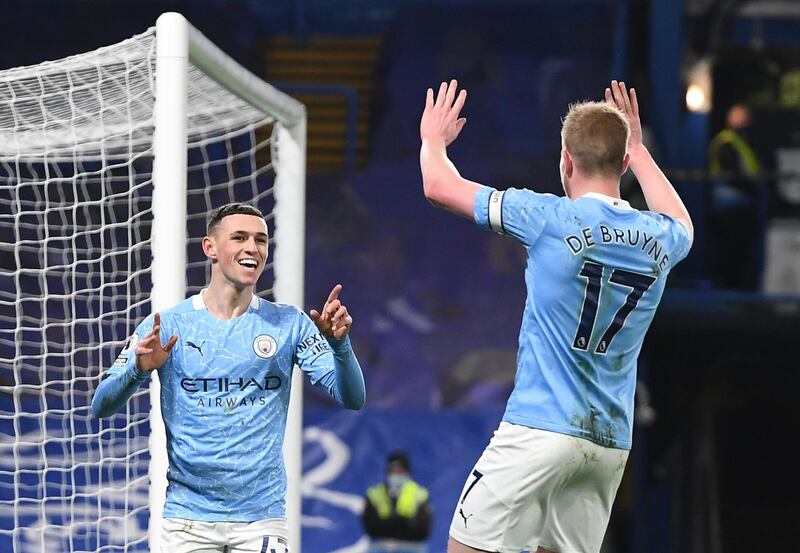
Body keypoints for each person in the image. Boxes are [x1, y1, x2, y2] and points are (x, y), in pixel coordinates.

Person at [419, 80, 693, 553]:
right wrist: (641, 151)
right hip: (607, 443)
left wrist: (432, 141)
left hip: (539, 428)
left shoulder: (545, 216)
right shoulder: (660, 238)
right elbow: (685, 223)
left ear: (566, 160)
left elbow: (439, 187)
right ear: (624, 163)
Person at [91, 202, 366, 553]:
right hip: (188, 522)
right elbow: (102, 405)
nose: (253, 248)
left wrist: (340, 346)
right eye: (239, 238)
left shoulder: (288, 323)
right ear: (210, 248)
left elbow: (353, 399)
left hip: (261, 518)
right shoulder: (169, 326)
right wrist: (138, 369)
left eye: (261, 240)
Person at [707, 103, 765, 289]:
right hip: (729, 209)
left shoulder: (741, 143)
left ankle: (735, 291)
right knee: (729, 254)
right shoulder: (726, 142)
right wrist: (753, 188)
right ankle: (726, 294)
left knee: (739, 255)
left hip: (741, 207)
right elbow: (732, 174)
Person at [361, 450, 433, 549]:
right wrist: (403, 523)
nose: (396, 475)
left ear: (408, 472)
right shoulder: (375, 494)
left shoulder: (420, 494)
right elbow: (371, 528)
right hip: (381, 548)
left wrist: (387, 524)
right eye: (393, 471)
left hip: (411, 549)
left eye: (400, 471)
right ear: (387, 472)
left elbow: (423, 531)